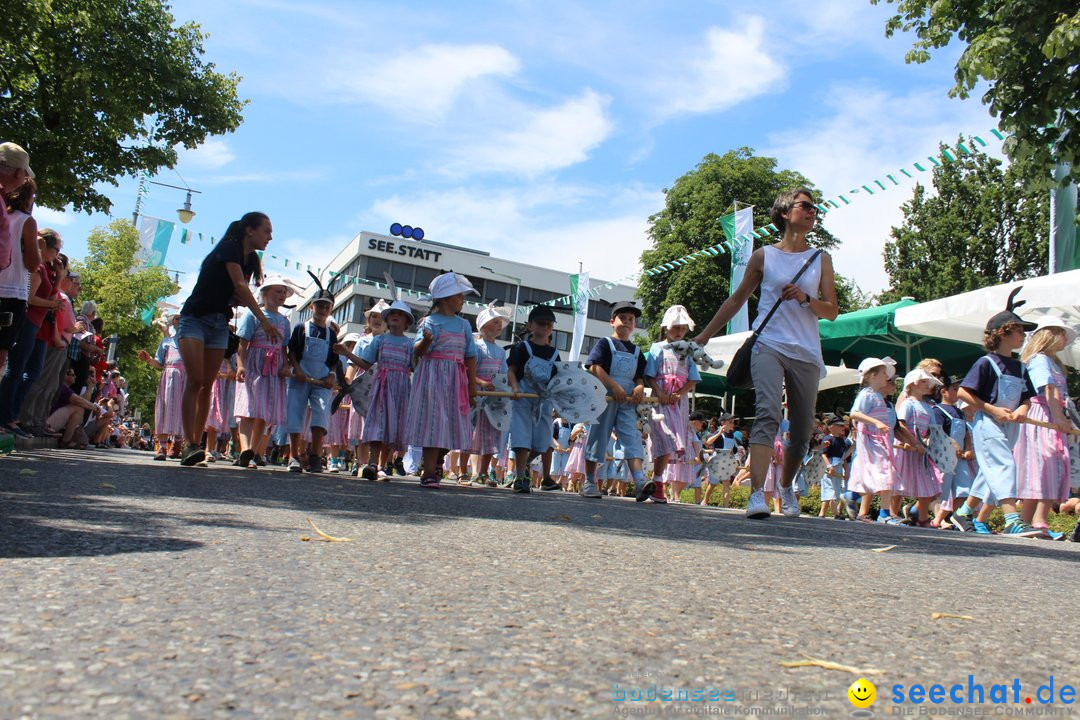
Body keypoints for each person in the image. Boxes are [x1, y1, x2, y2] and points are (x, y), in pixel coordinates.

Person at [693, 188, 839, 519]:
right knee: (768, 412)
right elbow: (736, 299)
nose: (813, 211)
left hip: (806, 350)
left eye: (815, 207)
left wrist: (804, 298)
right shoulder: (763, 256)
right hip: (768, 342)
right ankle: (757, 494)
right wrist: (704, 335)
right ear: (785, 213)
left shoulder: (820, 258)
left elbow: (831, 311)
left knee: (802, 430)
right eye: (805, 206)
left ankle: (785, 487)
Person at [175, 212, 280, 466]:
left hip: (218, 324)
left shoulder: (250, 259)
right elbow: (241, 287)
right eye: (266, 231)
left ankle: (197, 446)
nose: (270, 237)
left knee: (207, 384)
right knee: (196, 379)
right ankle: (189, 444)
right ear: (249, 230)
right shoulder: (229, 247)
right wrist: (263, 322)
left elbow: (237, 293)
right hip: (194, 319)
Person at [951, 304, 1044, 537]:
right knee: (1003, 466)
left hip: (1011, 425)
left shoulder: (1021, 367)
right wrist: (992, 409)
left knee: (989, 470)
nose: (1024, 336)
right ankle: (1012, 519)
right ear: (1003, 332)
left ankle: (963, 512)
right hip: (988, 423)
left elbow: (1026, 398)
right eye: (1020, 331)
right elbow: (964, 393)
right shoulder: (986, 363)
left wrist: (1023, 409)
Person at [405, 272, 479, 487]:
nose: (463, 300)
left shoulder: (464, 325)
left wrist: (471, 385)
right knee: (434, 422)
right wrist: (425, 342)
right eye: (459, 296)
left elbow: (470, 355)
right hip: (432, 378)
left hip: (456, 379)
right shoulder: (429, 322)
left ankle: (438, 460)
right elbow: (417, 352)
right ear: (445, 298)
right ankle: (428, 472)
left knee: (452, 423)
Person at [1015, 315, 1075, 538]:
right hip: (1043, 414)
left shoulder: (1053, 362)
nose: (1064, 339)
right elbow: (1048, 390)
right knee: (1045, 464)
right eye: (1061, 334)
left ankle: (1028, 521)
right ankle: (1038, 520)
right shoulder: (1039, 359)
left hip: (1052, 414)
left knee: (1046, 466)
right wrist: (1059, 417)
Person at [582, 301, 648, 500]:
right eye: (623, 318)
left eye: (631, 319)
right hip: (605, 396)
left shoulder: (637, 350)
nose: (627, 322)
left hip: (628, 401)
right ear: (612, 321)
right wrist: (613, 386)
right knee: (598, 436)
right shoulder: (605, 343)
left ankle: (639, 481)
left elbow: (639, 375)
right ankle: (589, 482)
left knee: (631, 437)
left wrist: (639, 387)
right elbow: (594, 366)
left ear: (635, 325)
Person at [233, 275, 294, 469]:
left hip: (274, 370)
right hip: (255, 365)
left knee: (263, 412)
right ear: (265, 293)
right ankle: (245, 449)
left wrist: (285, 366)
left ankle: (252, 451)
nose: (282, 294)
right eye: (278, 290)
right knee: (248, 409)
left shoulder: (285, 321)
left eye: (284, 292)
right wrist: (241, 365)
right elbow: (243, 342)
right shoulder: (253, 315)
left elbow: (284, 348)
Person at [645, 305, 700, 504]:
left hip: (678, 402)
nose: (679, 332)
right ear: (666, 327)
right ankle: (657, 482)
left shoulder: (689, 349)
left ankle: (658, 483)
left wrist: (679, 393)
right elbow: (649, 375)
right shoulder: (657, 348)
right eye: (676, 327)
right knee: (664, 437)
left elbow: (693, 378)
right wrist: (660, 392)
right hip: (660, 398)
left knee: (673, 440)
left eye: (683, 328)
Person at [354, 300, 415, 481]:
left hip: (402, 388)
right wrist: (346, 353)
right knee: (378, 423)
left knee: (393, 425)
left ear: (407, 322)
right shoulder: (380, 340)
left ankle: (383, 465)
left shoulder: (410, 344)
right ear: (387, 318)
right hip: (381, 386)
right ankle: (372, 464)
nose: (396, 316)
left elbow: (415, 366)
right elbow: (366, 363)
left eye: (401, 314)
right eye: (393, 313)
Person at [506, 305, 562, 493]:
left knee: (543, 442)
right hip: (523, 399)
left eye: (549, 324)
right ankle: (520, 477)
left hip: (544, 403)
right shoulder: (522, 348)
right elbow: (511, 371)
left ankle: (526, 464)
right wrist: (515, 388)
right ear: (531, 325)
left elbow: (557, 380)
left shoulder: (554, 354)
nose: (545, 327)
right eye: (541, 323)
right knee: (521, 440)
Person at [286, 280, 339, 473]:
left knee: (321, 413)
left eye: (327, 306)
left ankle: (316, 457)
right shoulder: (301, 328)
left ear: (331, 309)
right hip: (300, 378)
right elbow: (291, 351)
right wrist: (297, 369)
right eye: (319, 305)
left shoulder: (331, 334)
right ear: (311, 307)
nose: (323, 309)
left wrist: (332, 375)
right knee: (295, 414)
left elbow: (333, 359)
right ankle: (294, 457)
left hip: (321, 381)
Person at [468, 303, 511, 486]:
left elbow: (503, 374)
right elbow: (469, 370)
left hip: (494, 398)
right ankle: (474, 472)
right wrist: (481, 382)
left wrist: (504, 389)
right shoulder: (476, 347)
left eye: (499, 322)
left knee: (491, 434)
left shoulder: (501, 351)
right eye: (494, 322)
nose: (498, 325)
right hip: (478, 394)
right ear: (483, 326)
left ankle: (485, 472)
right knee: (475, 432)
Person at [894, 369, 944, 526]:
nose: (928, 384)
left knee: (927, 484)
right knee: (898, 484)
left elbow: (932, 428)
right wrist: (913, 442)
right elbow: (900, 424)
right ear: (912, 384)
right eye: (923, 381)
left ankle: (923, 518)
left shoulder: (928, 406)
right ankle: (891, 513)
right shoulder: (908, 404)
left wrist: (928, 441)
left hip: (922, 450)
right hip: (907, 449)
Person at [139, 315, 185, 461]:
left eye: (183, 318)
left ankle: (178, 442)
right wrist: (148, 360)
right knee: (165, 409)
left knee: (183, 409)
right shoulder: (167, 342)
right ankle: (163, 446)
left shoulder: (191, 342)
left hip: (186, 378)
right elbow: (159, 363)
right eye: (177, 318)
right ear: (173, 322)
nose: (180, 321)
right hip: (169, 378)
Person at [45, 367, 101, 448]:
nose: (75, 377)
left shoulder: (68, 389)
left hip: (53, 420)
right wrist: (93, 407)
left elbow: (82, 400)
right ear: (65, 376)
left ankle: (68, 438)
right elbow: (79, 401)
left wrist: (90, 387)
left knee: (82, 441)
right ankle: (66, 441)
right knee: (78, 408)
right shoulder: (61, 386)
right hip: (48, 422)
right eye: (72, 375)